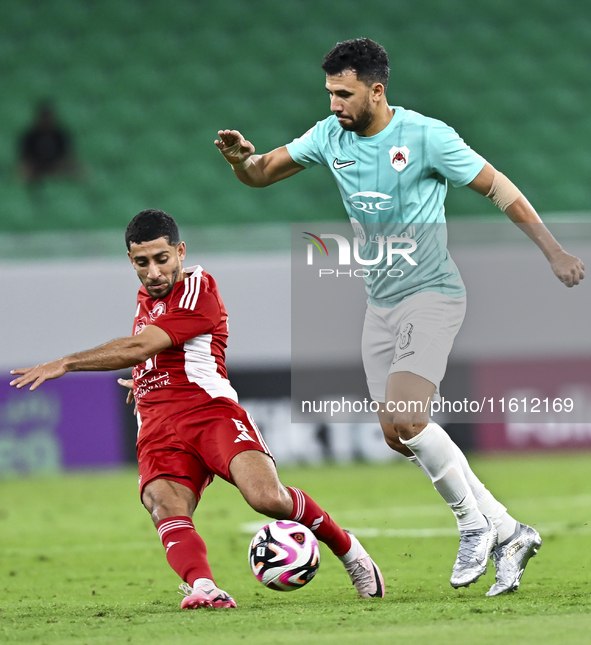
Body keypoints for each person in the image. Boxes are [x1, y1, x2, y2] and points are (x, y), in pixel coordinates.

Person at [215, 38, 585, 596]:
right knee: (397, 435)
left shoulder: (426, 136)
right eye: (330, 94)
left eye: (344, 93)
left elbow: (500, 189)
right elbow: (262, 173)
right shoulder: (327, 136)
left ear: (376, 90)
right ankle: (511, 531)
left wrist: (553, 250)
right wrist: (242, 159)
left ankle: (473, 527)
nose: (335, 104)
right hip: (380, 305)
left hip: (432, 293)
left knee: (409, 419)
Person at [9, 209, 385, 608]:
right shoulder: (145, 299)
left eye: (162, 259)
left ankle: (351, 553)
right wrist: (144, 377)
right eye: (142, 262)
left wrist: (66, 362)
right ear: (131, 261)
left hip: (208, 412)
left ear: (180, 252)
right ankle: (204, 587)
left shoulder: (198, 288)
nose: (153, 272)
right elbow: (154, 352)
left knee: (266, 498)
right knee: (162, 503)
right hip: (156, 424)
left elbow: (141, 346)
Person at [18, 102, 78, 184]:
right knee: (23, 170)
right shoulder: (30, 137)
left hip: (56, 165)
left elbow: (66, 154)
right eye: (44, 118)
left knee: (77, 169)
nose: (46, 121)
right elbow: (25, 156)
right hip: (36, 165)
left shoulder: (60, 136)